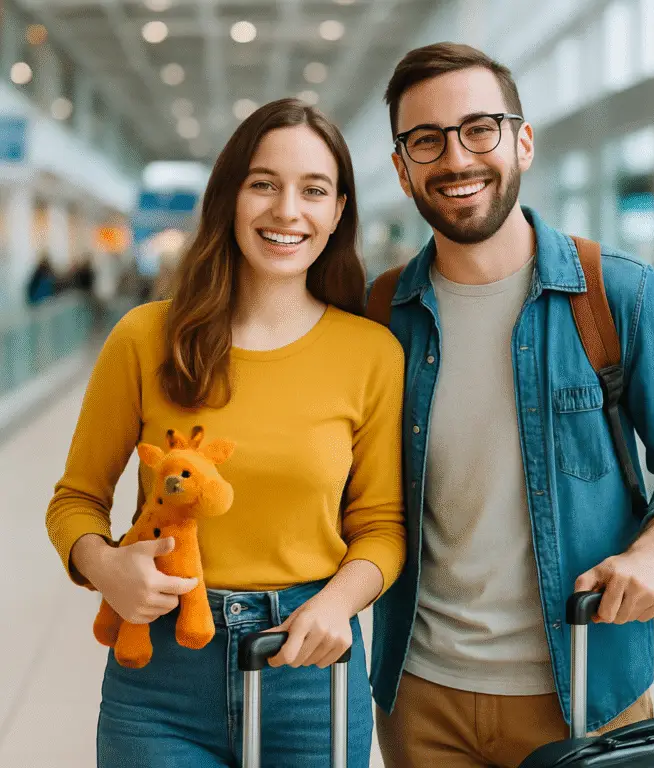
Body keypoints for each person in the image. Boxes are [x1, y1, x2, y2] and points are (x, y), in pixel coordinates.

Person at [368, 43, 654, 768]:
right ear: (402, 167)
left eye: (480, 128)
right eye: (426, 140)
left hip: (591, 688)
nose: (456, 158)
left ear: (522, 141)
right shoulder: (383, 313)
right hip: (421, 694)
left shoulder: (617, 293)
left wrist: (652, 554)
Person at [45, 98, 406, 768]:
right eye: (263, 183)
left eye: (313, 190)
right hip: (159, 674)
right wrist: (106, 568)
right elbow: (75, 501)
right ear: (230, 198)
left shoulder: (372, 354)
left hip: (308, 665)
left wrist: (338, 604)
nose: (286, 210)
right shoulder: (145, 338)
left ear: (337, 212)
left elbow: (382, 524)